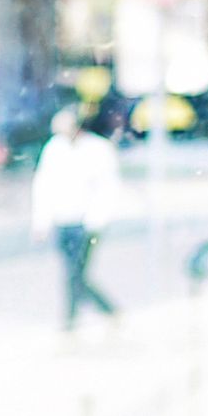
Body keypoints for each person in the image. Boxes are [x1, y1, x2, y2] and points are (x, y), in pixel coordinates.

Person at [30, 109, 125, 335]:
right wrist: (41, 221)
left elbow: (107, 188)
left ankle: (72, 322)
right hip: (63, 221)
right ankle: (104, 313)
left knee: (75, 275)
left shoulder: (98, 150)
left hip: (86, 223)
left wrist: (96, 220)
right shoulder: (55, 148)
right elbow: (44, 185)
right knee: (73, 275)